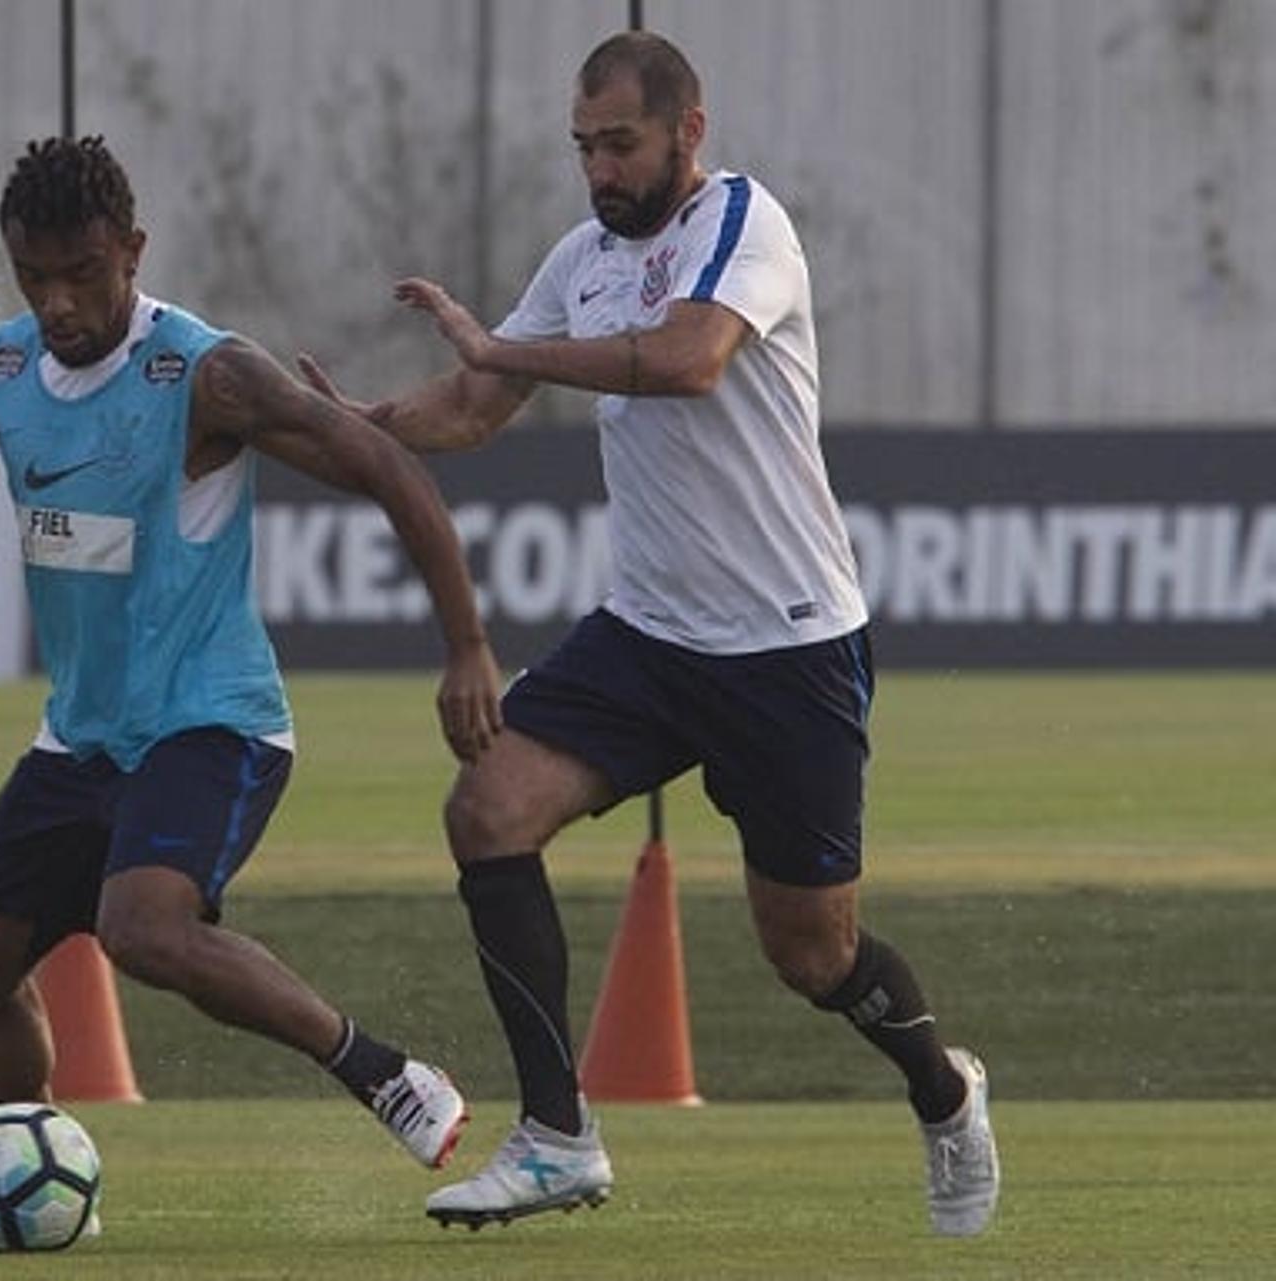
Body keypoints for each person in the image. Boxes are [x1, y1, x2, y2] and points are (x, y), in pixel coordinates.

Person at [299, 30, 999, 1237]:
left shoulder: (746, 226)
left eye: (618, 144)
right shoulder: (582, 256)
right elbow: (473, 405)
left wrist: (498, 346)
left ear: (689, 131)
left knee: (811, 955)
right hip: (650, 640)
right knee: (487, 811)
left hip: (787, 650)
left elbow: (687, 361)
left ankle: (943, 1090)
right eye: (583, 148)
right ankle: (559, 1135)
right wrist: (359, 426)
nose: (599, 171)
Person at [0, 135, 504, 1239]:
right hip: (84, 738)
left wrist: (466, 647)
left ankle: (387, 1073)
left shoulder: (205, 373)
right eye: (34, 278)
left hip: (213, 720)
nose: (58, 303)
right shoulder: (4, 369)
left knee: (144, 929)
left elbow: (387, 468)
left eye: (82, 273)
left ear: (133, 250)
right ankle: (33, 1184)